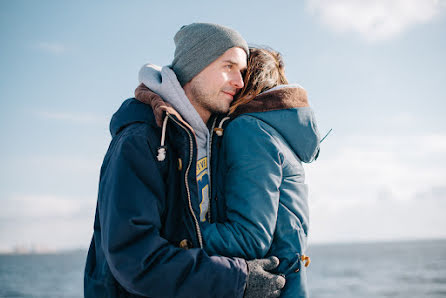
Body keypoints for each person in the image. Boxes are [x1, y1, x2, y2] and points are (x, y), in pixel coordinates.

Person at [84, 23, 286, 298]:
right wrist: (237, 280)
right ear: (195, 66)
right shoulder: (140, 141)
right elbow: (135, 258)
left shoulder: (216, 139)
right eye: (228, 66)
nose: (239, 82)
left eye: (241, 72)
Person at [200, 48, 320, 297]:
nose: (232, 80)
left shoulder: (249, 130)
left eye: (237, 71)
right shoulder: (277, 133)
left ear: (248, 80)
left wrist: (180, 230)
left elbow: (249, 238)